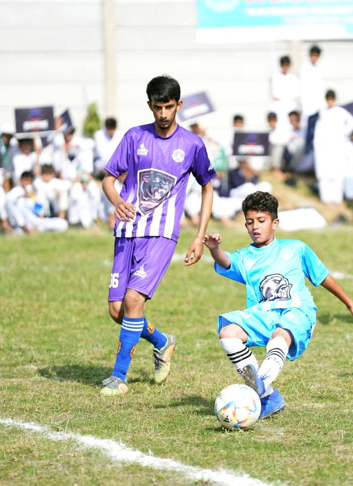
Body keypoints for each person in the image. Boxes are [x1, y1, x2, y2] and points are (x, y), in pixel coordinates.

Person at [203, 191, 353, 418]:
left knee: (280, 335)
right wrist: (215, 249)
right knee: (228, 333)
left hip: (298, 311)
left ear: (275, 223)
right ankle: (267, 395)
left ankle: (259, 386)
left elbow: (322, 277)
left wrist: (350, 304)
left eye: (261, 221)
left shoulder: (296, 248)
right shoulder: (246, 257)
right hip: (263, 313)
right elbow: (226, 262)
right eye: (250, 222)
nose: (255, 227)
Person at [99, 75, 216, 396]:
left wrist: (199, 236)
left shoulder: (192, 144)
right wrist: (117, 200)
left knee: (134, 300)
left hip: (161, 235)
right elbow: (109, 178)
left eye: (169, 107)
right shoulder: (134, 137)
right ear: (149, 105)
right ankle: (163, 342)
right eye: (157, 107)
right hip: (126, 231)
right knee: (117, 311)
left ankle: (119, 376)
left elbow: (208, 186)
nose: (163, 114)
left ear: (178, 106)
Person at [313, 89, 353, 209]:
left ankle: (337, 199)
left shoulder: (340, 111)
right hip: (324, 148)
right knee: (324, 174)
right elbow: (318, 131)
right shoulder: (322, 112)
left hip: (337, 147)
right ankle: (326, 199)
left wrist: (343, 133)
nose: (329, 102)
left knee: (337, 173)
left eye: (331, 100)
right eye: (328, 100)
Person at [299, 45, 325, 125]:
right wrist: (302, 105)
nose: (314, 58)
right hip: (307, 104)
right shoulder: (304, 68)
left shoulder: (319, 69)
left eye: (316, 56)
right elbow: (302, 88)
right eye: (313, 55)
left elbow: (320, 88)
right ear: (310, 55)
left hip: (317, 104)